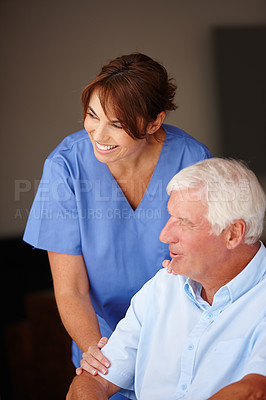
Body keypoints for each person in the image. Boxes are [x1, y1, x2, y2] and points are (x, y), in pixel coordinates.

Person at [23, 53, 211, 400]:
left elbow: (208, 271)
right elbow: (71, 290)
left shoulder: (193, 162)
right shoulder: (66, 167)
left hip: (180, 343)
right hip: (103, 343)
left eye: (117, 124)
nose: (99, 133)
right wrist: (100, 353)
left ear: (155, 122)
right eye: (92, 116)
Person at [67, 158, 266, 400]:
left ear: (233, 234)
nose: (164, 235)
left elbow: (254, 390)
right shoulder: (162, 286)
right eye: (170, 217)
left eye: (184, 222)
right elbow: (92, 380)